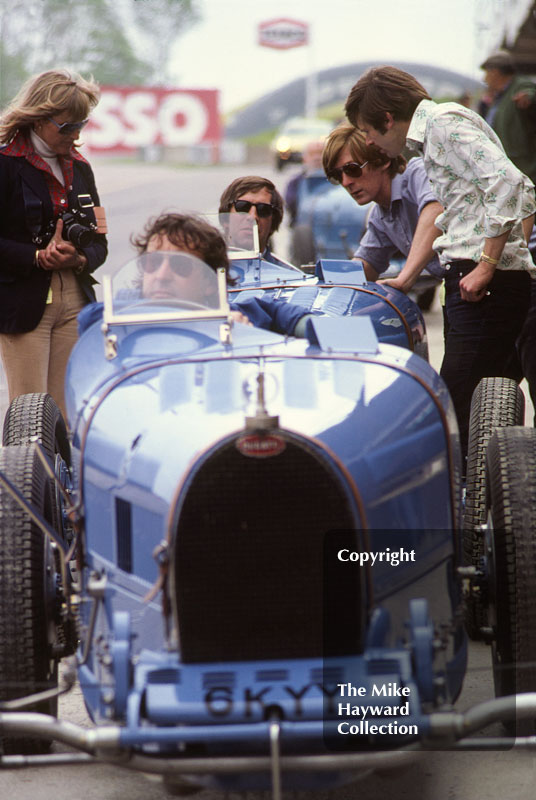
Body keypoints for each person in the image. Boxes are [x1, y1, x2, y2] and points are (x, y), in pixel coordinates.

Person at [345, 65, 536, 464]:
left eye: (368, 131)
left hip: (482, 281)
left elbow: (510, 182)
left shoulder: (442, 126)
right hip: (480, 277)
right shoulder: (440, 129)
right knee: (484, 403)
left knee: (454, 407)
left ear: (387, 118)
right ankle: (489, 502)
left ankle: (462, 510)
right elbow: (520, 188)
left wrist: (487, 263)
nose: (370, 142)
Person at [0, 68, 107, 419]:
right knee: (31, 413)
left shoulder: (81, 168)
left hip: (75, 300)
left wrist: (77, 257)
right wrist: (36, 256)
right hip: (24, 302)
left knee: (68, 412)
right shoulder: (4, 163)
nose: (75, 135)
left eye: (81, 125)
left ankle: (66, 476)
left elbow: (100, 243)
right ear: (39, 119)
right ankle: (27, 475)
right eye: (66, 127)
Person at [80, 213, 314, 337]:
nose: (162, 275)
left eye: (180, 266)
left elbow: (276, 312)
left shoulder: (228, 313)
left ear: (210, 282)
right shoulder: (118, 316)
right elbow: (88, 319)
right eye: (153, 263)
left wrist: (244, 331)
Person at [322, 122, 443, 291]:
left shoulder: (418, 173)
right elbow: (366, 265)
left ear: (382, 160)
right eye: (337, 176)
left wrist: (404, 279)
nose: (346, 182)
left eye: (352, 169)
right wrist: (324, 285)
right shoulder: (380, 216)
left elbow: (436, 213)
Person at [480, 50, 536, 184]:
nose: (484, 79)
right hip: (505, 169)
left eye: (486, 73)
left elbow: (531, 93)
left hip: (523, 169)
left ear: (495, 72)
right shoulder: (499, 97)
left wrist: (530, 97)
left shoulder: (520, 86)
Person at [218, 176, 287, 265]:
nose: (252, 217)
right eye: (242, 207)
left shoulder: (287, 276)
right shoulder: (205, 272)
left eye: (263, 209)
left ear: (273, 222)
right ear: (225, 219)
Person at [284, 139, 326, 227]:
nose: (317, 158)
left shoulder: (338, 180)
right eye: (312, 154)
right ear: (304, 158)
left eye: (320, 153)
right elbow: (290, 205)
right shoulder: (295, 182)